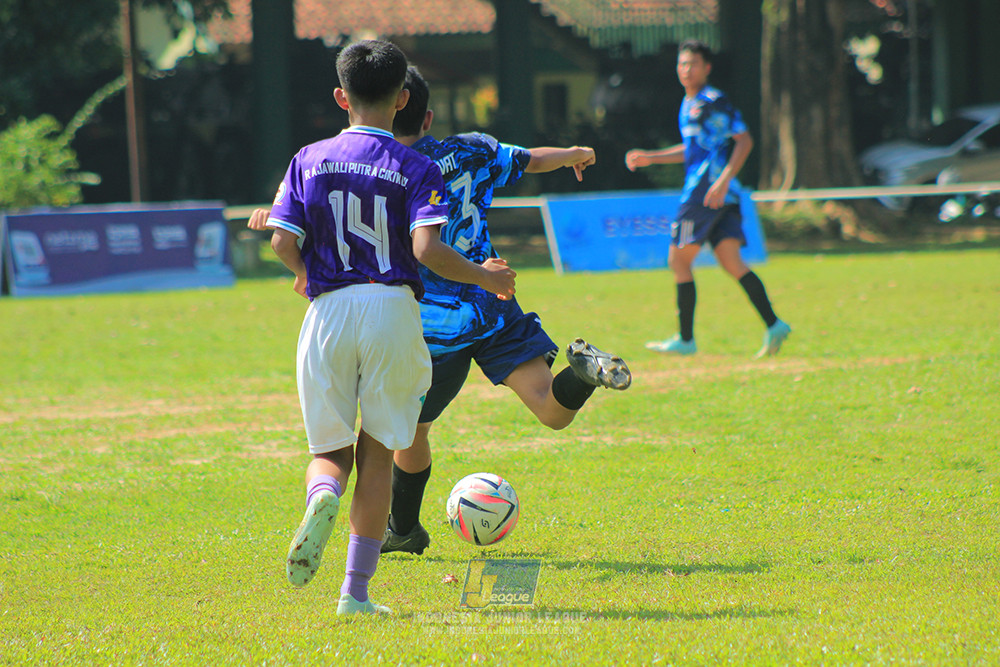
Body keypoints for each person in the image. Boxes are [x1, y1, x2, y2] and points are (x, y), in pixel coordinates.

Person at [256, 40, 516, 615]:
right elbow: (427, 249)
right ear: (403, 99)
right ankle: (355, 592)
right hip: (392, 310)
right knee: (376, 455)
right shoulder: (416, 165)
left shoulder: (309, 157)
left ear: (340, 96)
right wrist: (484, 277)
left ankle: (322, 493)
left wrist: (303, 275)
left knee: (328, 452)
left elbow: (279, 239)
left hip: (327, 312)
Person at [380, 66, 632, 556]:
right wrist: (573, 155)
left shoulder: (386, 172)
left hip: (433, 326)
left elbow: (418, 249)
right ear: (428, 116)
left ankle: (402, 531)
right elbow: (529, 159)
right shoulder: (470, 148)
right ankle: (581, 373)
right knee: (552, 412)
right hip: (494, 304)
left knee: (410, 434)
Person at [625, 39, 791, 358]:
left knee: (678, 260)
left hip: (706, 191)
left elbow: (744, 141)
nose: (686, 70)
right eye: (682, 64)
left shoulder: (713, 100)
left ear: (707, 68)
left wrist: (723, 181)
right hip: (718, 193)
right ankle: (774, 324)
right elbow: (693, 150)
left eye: (693, 64)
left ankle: (686, 339)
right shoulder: (688, 104)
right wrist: (652, 157)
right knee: (731, 262)